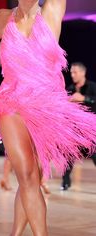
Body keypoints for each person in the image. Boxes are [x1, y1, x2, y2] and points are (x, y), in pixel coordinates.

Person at [0, 0, 96, 235]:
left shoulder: (52, 10)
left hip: (47, 109)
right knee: (28, 175)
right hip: (11, 103)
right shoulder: (3, 18)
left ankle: (15, 233)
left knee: (33, 177)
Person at [61, 62, 96, 190]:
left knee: (95, 154)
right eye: (71, 72)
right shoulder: (70, 89)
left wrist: (84, 98)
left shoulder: (92, 87)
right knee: (68, 155)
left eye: (75, 72)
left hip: (90, 130)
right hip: (74, 130)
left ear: (83, 73)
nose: (72, 74)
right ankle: (65, 182)